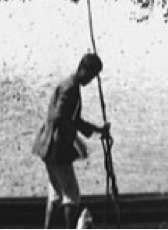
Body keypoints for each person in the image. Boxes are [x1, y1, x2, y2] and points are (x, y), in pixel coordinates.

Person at [32, 52, 111, 230]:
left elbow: (71, 119)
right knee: (72, 195)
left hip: (47, 145)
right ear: (82, 69)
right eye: (90, 75)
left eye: (93, 77)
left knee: (56, 193)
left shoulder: (67, 84)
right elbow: (60, 117)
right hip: (57, 147)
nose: (90, 80)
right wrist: (76, 137)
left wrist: (97, 130)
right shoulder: (71, 89)